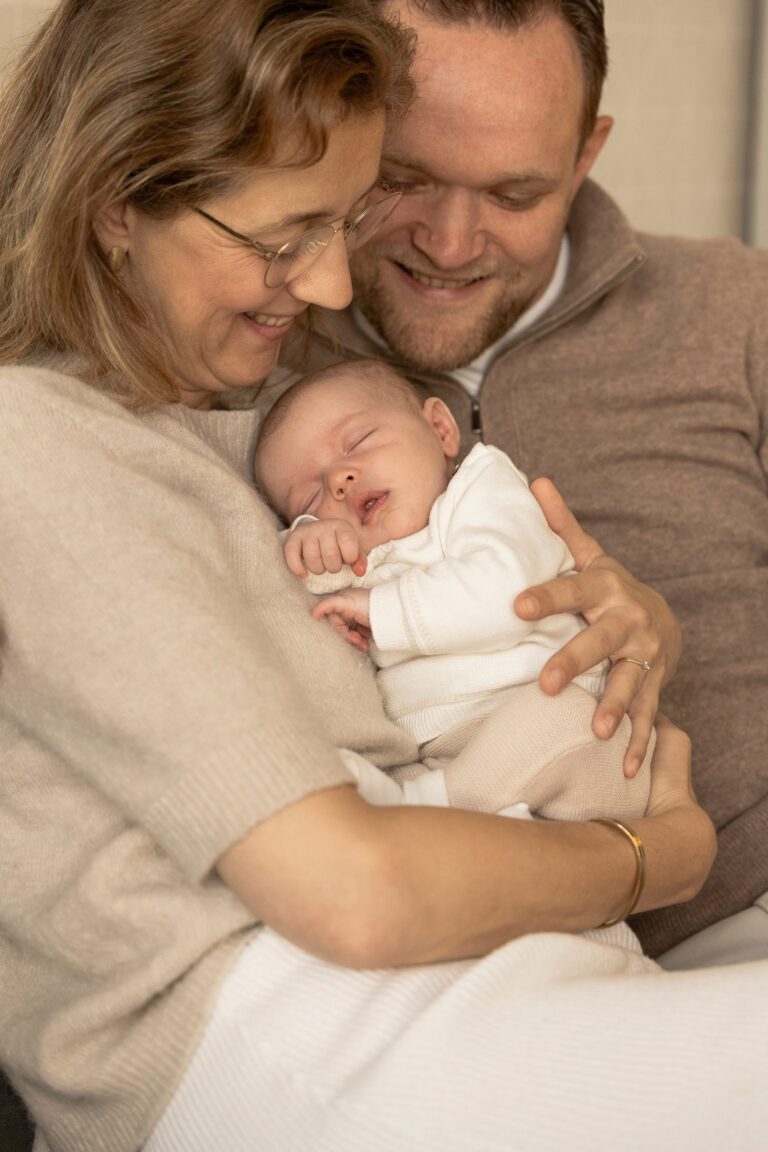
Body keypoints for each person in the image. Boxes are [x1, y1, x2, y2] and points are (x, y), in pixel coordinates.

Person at [1, 3, 766, 1152]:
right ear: (115, 205)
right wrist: (656, 855)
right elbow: (352, 892)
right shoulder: (47, 442)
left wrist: (632, 617)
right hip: (296, 1025)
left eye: (341, 224)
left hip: (458, 981)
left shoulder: (223, 417)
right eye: (287, 235)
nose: (325, 289)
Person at [288, 0, 768, 958]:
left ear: (587, 155)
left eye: (515, 195)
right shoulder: (260, 352)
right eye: (404, 178)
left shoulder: (738, 309)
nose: (453, 244)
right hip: (449, 956)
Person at [257, 357, 652, 828]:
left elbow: (509, 595)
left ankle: (419, 809)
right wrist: (305, 541)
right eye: (308, 498)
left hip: (576, 738)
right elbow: (305, 592)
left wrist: (380, 609)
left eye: (359, 441)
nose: (338, 481)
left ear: (441, 429)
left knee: (559, 718)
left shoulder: (483, 490)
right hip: (449, 756)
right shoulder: (363, 555)